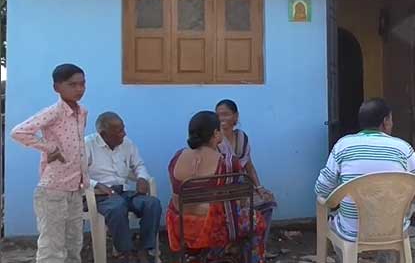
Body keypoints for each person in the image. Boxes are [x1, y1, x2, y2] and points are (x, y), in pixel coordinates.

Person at [314, 98, 415, 245]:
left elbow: (321, 189)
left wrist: (339, 190)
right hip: (394, 229)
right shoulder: (403, 148)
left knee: (336, 223)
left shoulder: (343, 146)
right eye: (391, 119)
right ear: (385, 121)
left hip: (352, 232)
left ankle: (347, 258)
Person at [166, 111, 270, 263]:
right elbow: (239, 201)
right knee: (257, 220)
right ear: (216, 134)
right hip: (214, 228)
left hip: (181, 226)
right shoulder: (227, 163)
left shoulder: (177, 157)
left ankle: (197, 256)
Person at [10, 64, 88, 263]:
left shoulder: (82, 112)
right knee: (52, 248)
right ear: (57, 88)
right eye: (72, 85)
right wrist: (50, 148)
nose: (79, 89)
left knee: (73, 245)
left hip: (75, 188)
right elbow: (19, 132)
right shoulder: (54, 112)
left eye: (82, 84)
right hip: (53, 189)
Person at [85, 112, 162, 263]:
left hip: (125, 192)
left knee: (152, 203)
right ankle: (126, 253)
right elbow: (77, 174)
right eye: (119, 131)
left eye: (123, 128)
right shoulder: (87, 144)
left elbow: (139, 165)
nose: (124, 133)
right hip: (100, 195)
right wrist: (97, 184)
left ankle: (144, 249)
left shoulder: (127, 143)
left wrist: (142, 178)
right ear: (103, 134)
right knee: (117, 207)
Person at [215, 99, 276, 242]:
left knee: (268, 200)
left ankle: (258, 245)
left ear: (236, 116)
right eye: (218, 115)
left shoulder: (242, 137)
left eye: (226, 114)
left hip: (243, 189)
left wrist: (259, 187)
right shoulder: (215, 139)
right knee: (236, 210)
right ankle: (234, 243)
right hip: (223, 193)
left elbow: (249, 165)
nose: (222, 118)